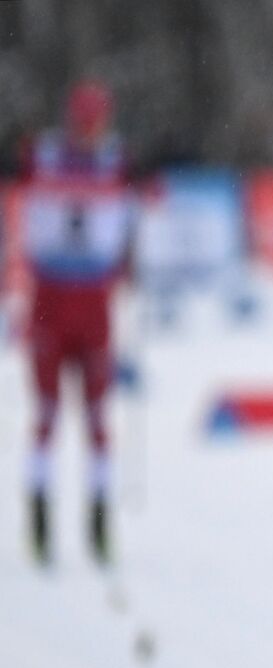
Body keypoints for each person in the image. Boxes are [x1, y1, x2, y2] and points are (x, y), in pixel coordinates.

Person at [18, 80, 135, 566]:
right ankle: (42, 517)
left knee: (95, 418)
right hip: (54, 300)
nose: (91, 131)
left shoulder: (107, 159)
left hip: (89, 304)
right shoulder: (56, 156)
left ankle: (98, 521)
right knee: (48, 414)